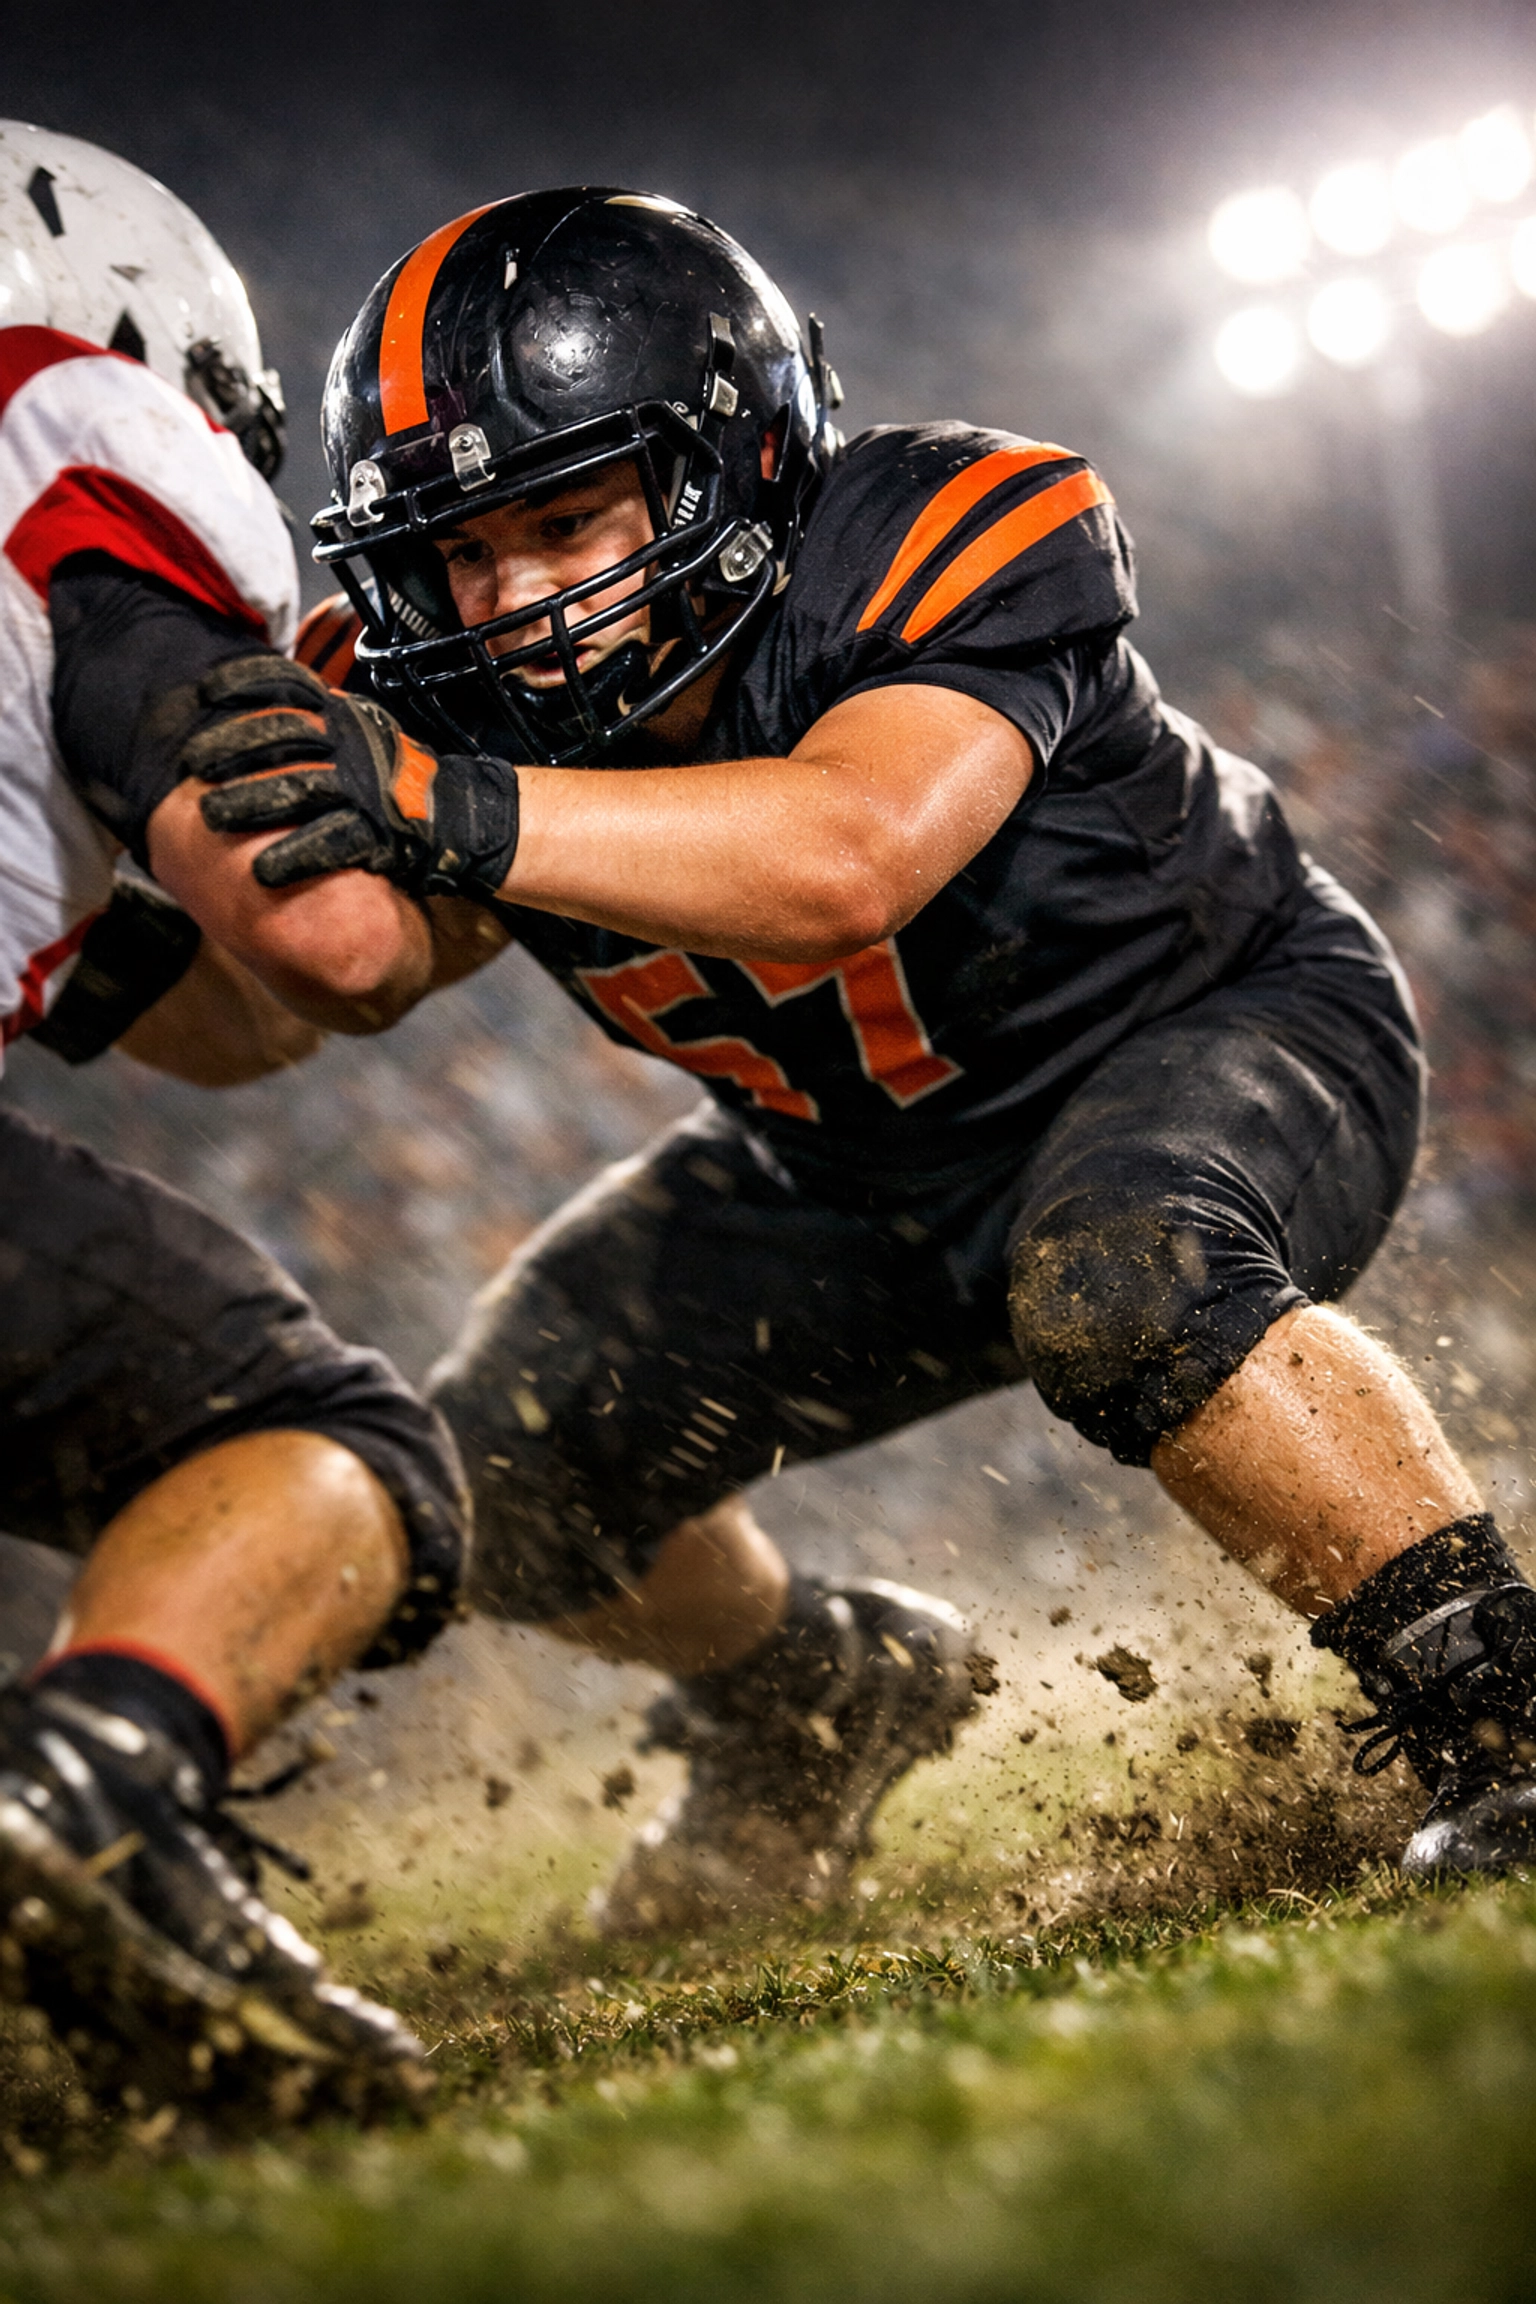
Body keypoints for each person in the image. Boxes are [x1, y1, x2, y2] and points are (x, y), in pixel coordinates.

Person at [199, 186, 1536, 1935]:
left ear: (730, 463)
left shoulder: (939, 527)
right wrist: (125, 869)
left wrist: (439, 800)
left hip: (1212, 1025)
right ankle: (810, 1694)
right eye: (461, 550)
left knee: (1128, 1270)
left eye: (563, 519)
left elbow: (849, 860)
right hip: (840, 1168)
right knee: (502, 1475)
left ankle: (1498, 1710)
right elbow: (352, 976)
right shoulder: (426, 703)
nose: (508, 599)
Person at [0, 122, 473, 2110]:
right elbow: (335, 947)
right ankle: (87, 1801)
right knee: (329, 1440)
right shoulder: (80, 421)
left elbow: (190, 1015)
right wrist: (477, 827)